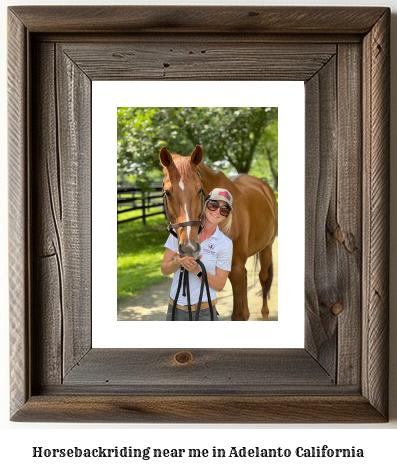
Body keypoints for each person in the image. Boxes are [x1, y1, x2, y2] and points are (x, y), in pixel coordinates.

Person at [161, 188, 234, 321]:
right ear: (205, 204)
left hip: (204, 312)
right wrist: (177, 262)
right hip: (174, 308)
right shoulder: (180, 231)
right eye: (214, 205)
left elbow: (220, 284)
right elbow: (164, 269)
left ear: (226, 215)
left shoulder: (225, 244)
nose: (217, 211)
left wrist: (197, 271)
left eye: (224, 209)